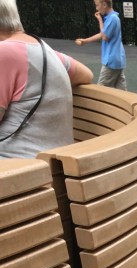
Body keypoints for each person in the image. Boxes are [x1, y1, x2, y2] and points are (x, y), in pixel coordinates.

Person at [0, 0, 93, 158]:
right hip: (55, 160)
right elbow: (86, 74)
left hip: (18, 162)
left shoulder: (4, 51)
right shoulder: (43, 49)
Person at [75, 0, 126, 90]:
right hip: (117, 60)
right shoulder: (111, 18)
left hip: (111, 61)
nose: (96, 8)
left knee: (101, 90)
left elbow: (104, 36)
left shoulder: (112, 19)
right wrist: (85, 40)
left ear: (104, 4)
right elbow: (102, 34)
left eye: (97, 5)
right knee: (121, 91)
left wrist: (100, 21)